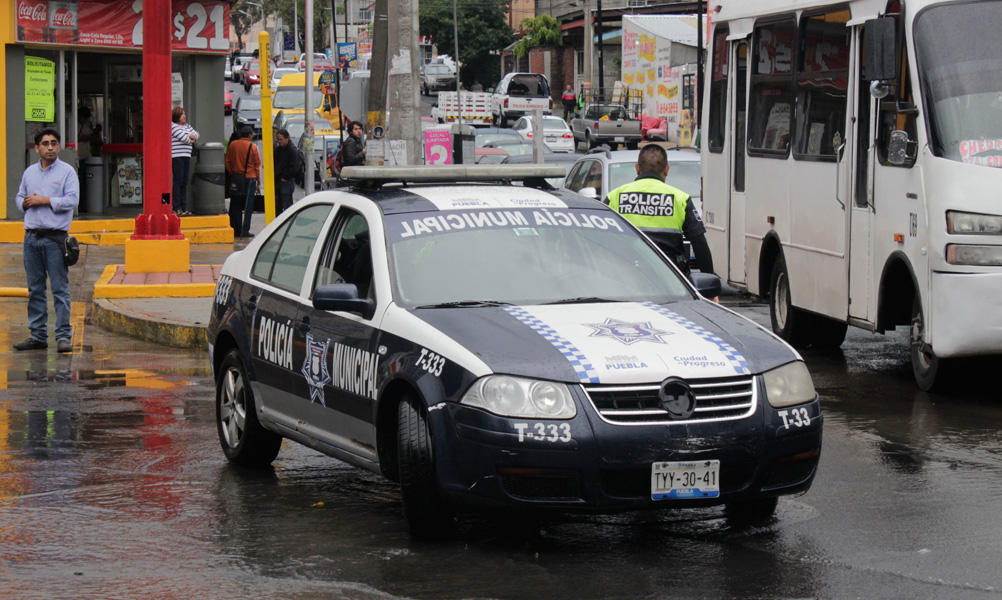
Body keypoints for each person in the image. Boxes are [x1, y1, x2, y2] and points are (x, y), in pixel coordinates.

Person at [14, 128, 79, 353]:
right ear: (37, 148)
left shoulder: (67, 172)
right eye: (45, 143)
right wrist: (23, 203)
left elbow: (72, 200)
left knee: (60, 290)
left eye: (54, 143)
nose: (50, 147)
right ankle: (38, 336)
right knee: (35, 290)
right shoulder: (29, 173)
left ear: (59, 147)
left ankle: (63, 337)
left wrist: (45, 200)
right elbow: (20, 197)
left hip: (55, 239)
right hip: (31, 238)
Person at [605, 144, 714, 280]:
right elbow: (699, 244)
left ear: (637, 168)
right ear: (667, 170)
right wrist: (711, 286)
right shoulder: (680, 199)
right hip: (670, 281)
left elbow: (599, 241)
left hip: (625, 278)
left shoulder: (615, 196)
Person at [225, 126, 261, 237]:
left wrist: (233, 173)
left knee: (235, 204)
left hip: (236, 177)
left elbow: (227, 162)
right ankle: (245, 230)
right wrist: (258, 182)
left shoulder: (233, 145)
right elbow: (257, 166)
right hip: (249, 179)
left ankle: (236, 228)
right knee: (248, 205)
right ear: (250, 135)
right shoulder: (253, 147)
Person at [171, 107, 199, 216]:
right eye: (182, 114)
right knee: (178, 181)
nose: (184, 116)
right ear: (176, 116)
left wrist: (191, 137)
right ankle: (176, 207)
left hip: (186, 156)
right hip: (176, 156)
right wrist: (189, 138)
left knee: (184, 182)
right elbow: (185, 139)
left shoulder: (187, 126)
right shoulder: (173, 126)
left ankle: (184, 207)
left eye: (184, 114)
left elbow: (196, 135)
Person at [273, 128, 297, 214]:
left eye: (281, 139)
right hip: (279, 180)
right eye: (278, 140)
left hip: (286, 181)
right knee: (278, 205)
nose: (279, 142)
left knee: (287, 205)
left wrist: (285, 177)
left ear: (287, 138)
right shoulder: (279, 149)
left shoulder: (292, 150)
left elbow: (295, 167)